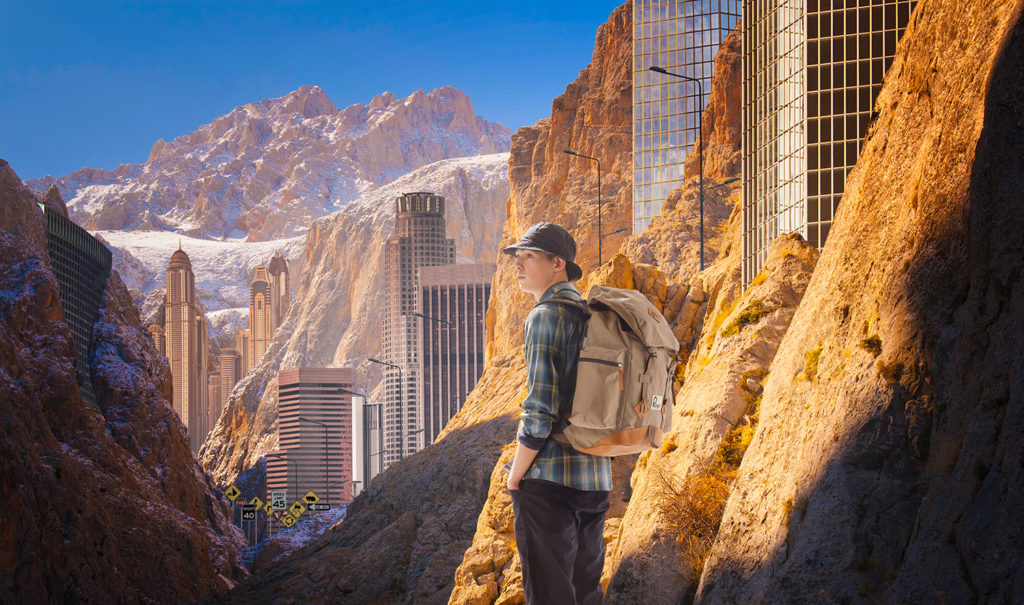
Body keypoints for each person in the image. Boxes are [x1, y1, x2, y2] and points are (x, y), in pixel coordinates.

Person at [502, 221, 612, 605]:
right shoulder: (591, 314)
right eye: (517, 258)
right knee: (585, 594)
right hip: (596, 479)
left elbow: (539, 411)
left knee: (550, 596)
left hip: (550, 484)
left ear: (557, 263)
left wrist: (516, 477)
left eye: (528, 257)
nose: (518, 265)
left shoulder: (545, 315)